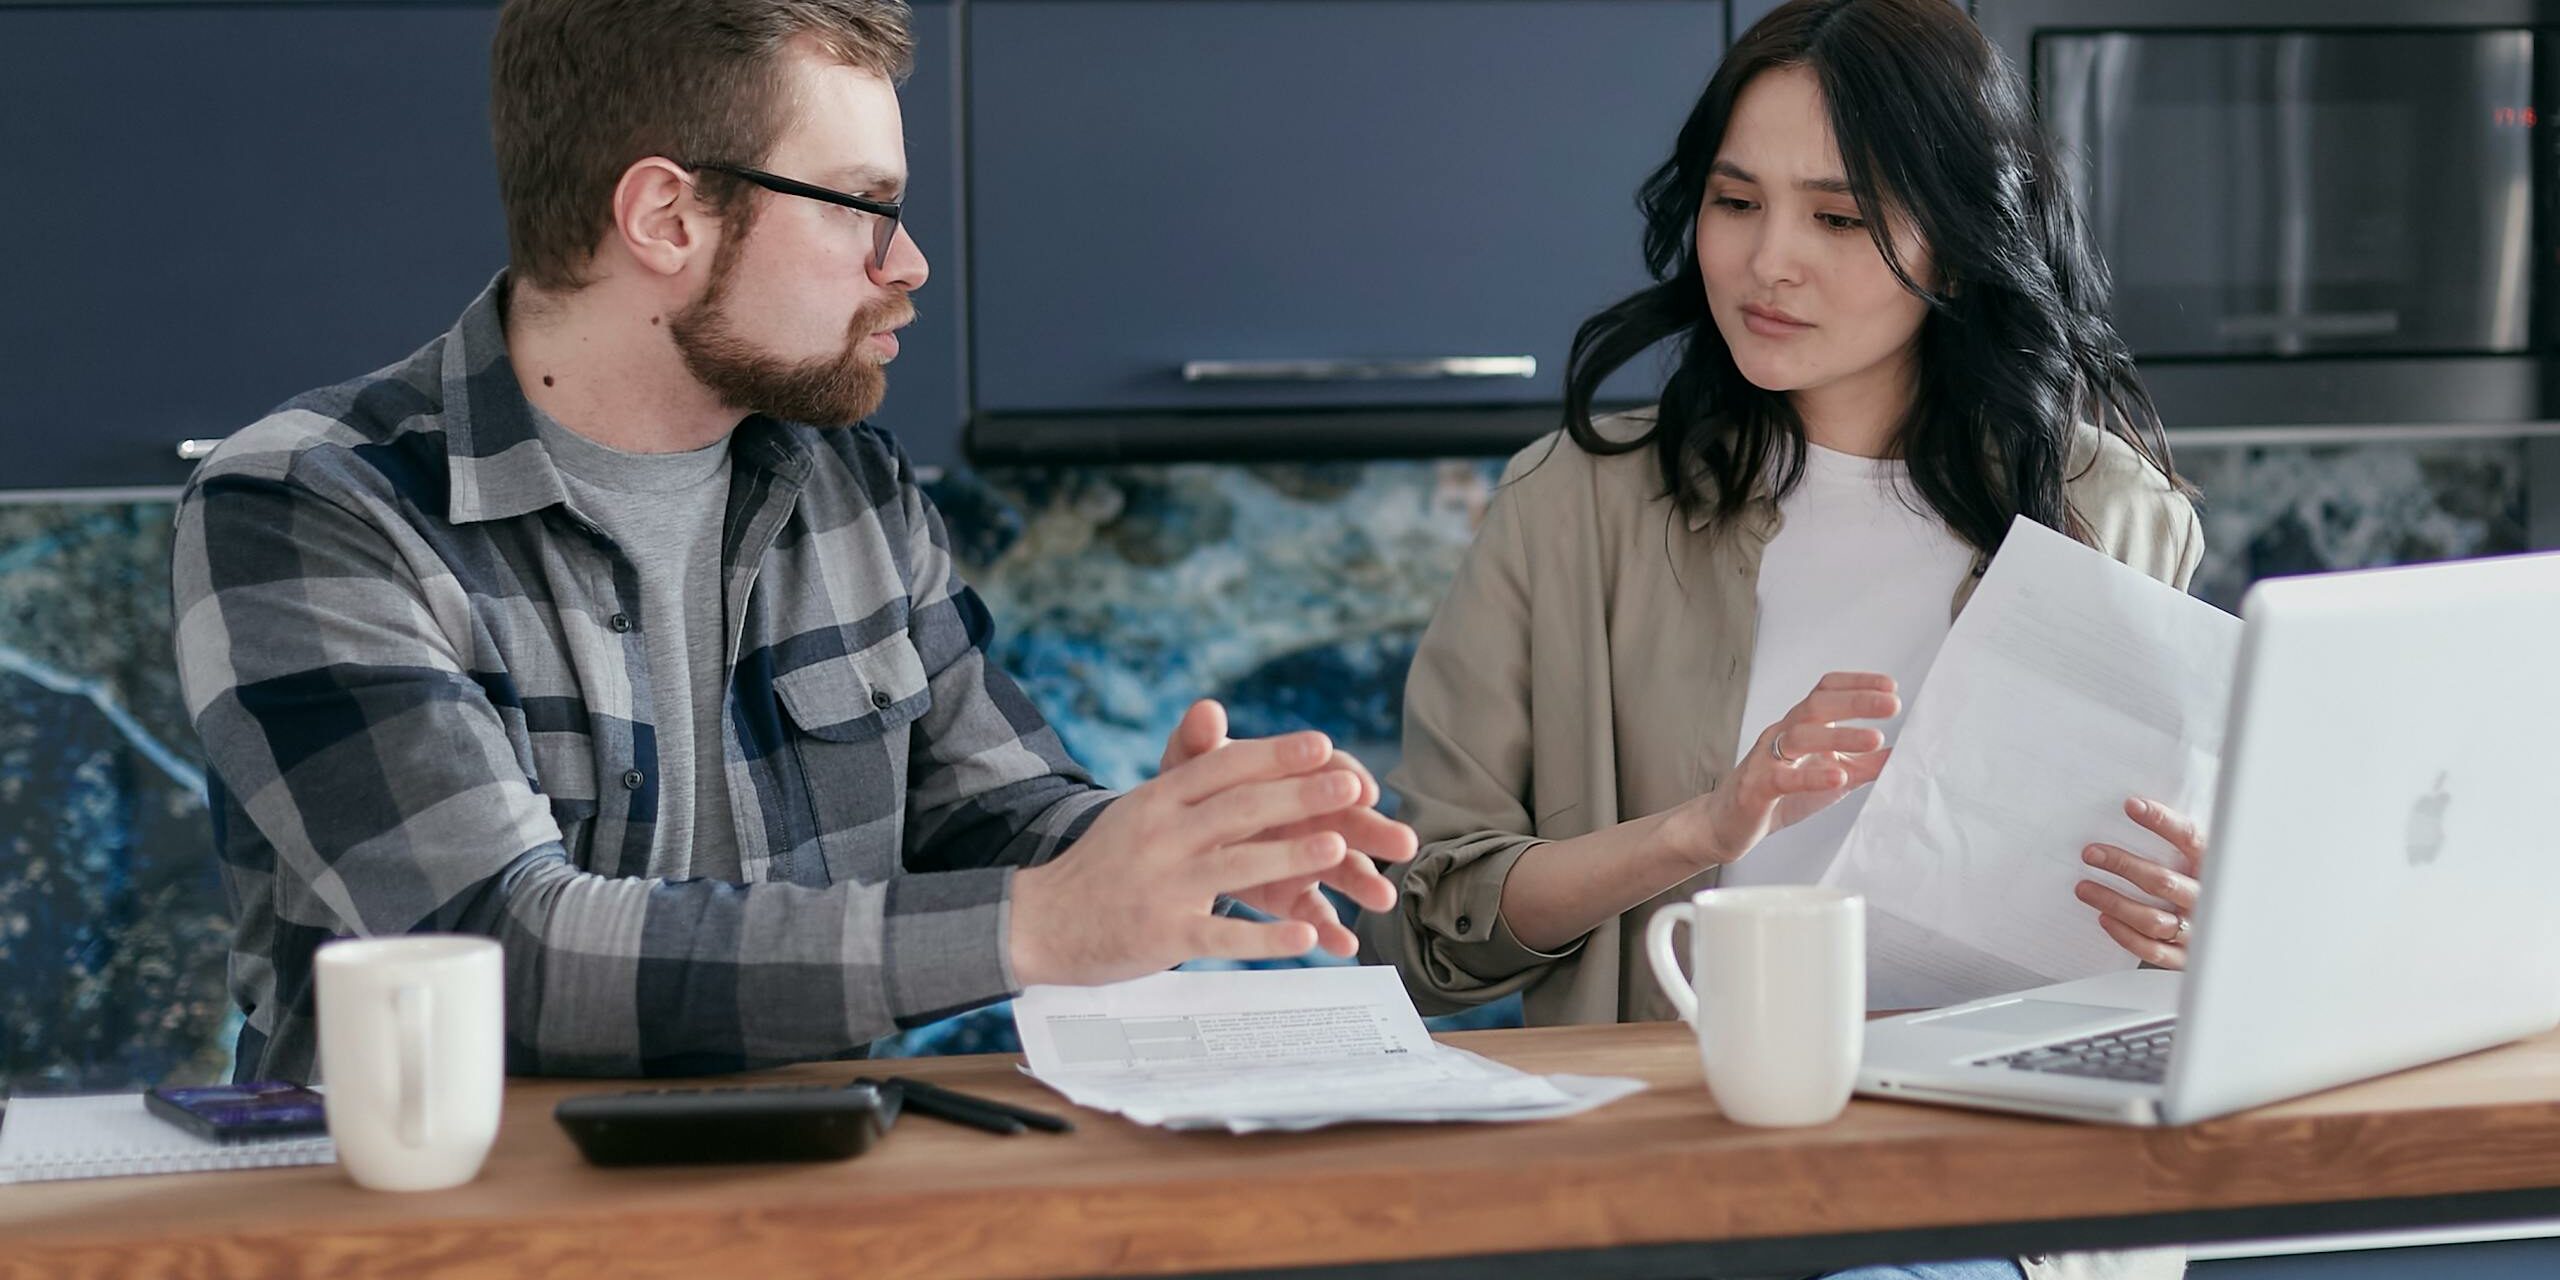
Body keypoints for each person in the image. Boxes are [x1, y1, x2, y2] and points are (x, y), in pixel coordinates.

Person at [173, 0, 1415, 1084]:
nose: (907, 263)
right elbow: (497, 952)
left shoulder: (846, 482)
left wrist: (1169, 849)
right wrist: (1043, 922)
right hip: (444, 1223)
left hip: (808, 1194)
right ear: (667, 216)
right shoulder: (311, 505)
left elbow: (989, 811)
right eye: (862, 206)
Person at [1360, 2, 2203, 1277]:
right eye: (1735, 201)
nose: (1767, 262)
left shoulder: (2113, 513)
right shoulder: (1569, 506)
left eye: (1839, 218)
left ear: (1957, 245)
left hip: (2009, 1186)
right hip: (1674, 1187)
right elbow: (1426, 932)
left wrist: (2200, 919)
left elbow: (2174, 925)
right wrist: (1699, 829)